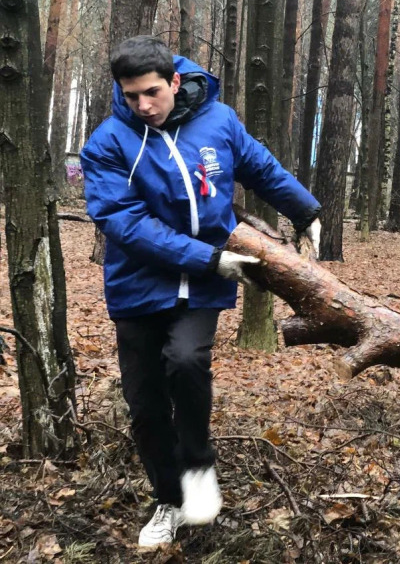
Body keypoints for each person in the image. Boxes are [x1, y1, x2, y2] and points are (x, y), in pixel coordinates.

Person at [81, 36, 321, 547]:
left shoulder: (219, 120)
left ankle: (197, 470)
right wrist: (209, 257)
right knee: (145, 405)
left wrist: (307, 210)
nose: (142, 106)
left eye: (150, 93)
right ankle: (169, 499)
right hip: (138, 284)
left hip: (202, 285)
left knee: (187, 362)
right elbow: (125, 223)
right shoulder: (107, 143)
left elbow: (259, 166)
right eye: (130, 98)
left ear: (174, 81)